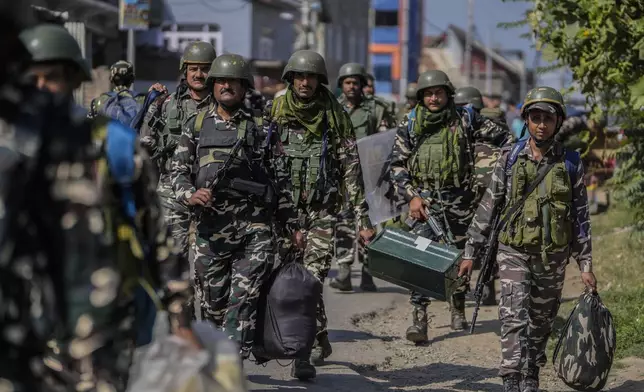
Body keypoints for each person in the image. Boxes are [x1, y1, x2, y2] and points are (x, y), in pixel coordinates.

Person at [10, 21, 189, 390]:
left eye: (52, 77)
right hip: (20, 328)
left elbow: (156, 236)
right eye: (32, 78)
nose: (41, 88)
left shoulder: (113, 145)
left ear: (74, 79)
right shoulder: (7, 149)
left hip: (100, 327)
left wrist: (179, 319)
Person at [460, 86, 597, 392]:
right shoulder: (509, 158)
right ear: (527, 120)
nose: (541, 125)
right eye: (535, 118)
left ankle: (531, 369)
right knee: (513, 315)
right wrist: (470, 252)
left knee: (542, 320)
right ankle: (510, 376)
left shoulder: (571, 163)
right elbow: (488, 206)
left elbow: (581, 218)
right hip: (513, 251)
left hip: (553, 256)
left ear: (558, 122)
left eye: (548, 119)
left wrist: (585, 264)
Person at [170, 53, 302, 360]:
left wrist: (292, 227)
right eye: (222, 81)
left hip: (254, 228)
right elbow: (177, 171)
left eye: (235, 82)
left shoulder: (263, 129)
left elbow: (281, 180)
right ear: (214, 86)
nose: (227, 87)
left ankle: (230, 362)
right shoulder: (197, 125)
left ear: (245, 88)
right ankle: (219, 353)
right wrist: (190, 194)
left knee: (243, 298)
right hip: (210, 228)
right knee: (213, 304)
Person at [265, 50, 365, 380]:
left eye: (310, 76)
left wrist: (363, 219)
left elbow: (351, 169)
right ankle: (315, 332)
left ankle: (301, 355)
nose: (304, 82)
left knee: (310, 281)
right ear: (290, 78)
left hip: (322, 212)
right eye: (299, 76)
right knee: (284, 281)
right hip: (285, 213)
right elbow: (262, 160)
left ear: (319, 80)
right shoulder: (275, 113)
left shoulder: (335, 117)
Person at [388, 70, 507, 342]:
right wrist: (411, 197)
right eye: (428, 93)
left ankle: (457, 306)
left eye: (438, 92)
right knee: (420, 259)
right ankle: (419, 321)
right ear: (421, 96)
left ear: (448, 94)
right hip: (424, 204)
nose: (433, 97)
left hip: (461, 201)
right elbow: (396, 165)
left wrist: (501, 165)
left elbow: (503, 139)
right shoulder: (409, 123)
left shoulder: (466, 117)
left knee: (459, 257)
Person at [139, 41, 217, 264]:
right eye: (194, 69)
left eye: (205, 69)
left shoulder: (223, 106)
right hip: (172, 193)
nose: (199, 74)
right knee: (171, 264)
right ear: (185, 70)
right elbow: (145, 143)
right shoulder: (167, 104)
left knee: (211, 270)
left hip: (211, 193)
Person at [329, 62, 396, 293]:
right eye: (347, 82)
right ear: (341, 85)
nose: (351, 87)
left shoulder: (376, 109)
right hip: (343, 177)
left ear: (362, 85)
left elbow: (387, 140)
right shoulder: (334, 108)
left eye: (355, 82)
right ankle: (345, 272)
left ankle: (368, 274)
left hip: (370, 176)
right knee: (344, 224)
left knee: (370, 225)